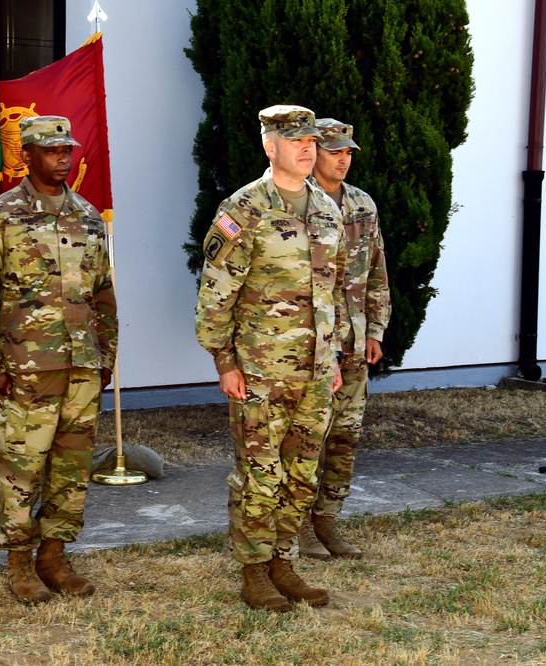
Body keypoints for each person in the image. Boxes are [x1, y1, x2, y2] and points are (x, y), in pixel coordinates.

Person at [0, 116, 118, 604]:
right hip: (25, 369)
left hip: (82, 366)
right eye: (51, 150)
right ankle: (19, 563)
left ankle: (54, 555)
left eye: (67, 149)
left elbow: (104, 294)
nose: (62, 157)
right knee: (21, 468)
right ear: (26, 155)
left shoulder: (88, 217)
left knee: (72, 467)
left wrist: (105, 356)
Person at [195, 104, 348, 613]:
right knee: (260, 475)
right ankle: (255, 572)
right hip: (261, 370)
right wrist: (224, 362)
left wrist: (337, 357)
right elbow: (216, 293)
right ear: (270, 145)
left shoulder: (327, 210)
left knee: (302, 474)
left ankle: (285, 563)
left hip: (317, 370)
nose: (308, 148)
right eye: (295, 140)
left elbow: (336, 292)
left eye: (311, 141)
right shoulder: (244, 211)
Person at [299, 118, 391, 560]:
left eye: (348, 151)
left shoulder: (362, 205)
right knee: (307, 438)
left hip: (353, 342)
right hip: (313, 345)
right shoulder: (296, 203)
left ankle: (327, 520)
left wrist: (374, 330)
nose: (343, 158)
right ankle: (296, 525)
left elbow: (376, 272)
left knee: (345, 437)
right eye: (335, 150)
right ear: (313, 151)